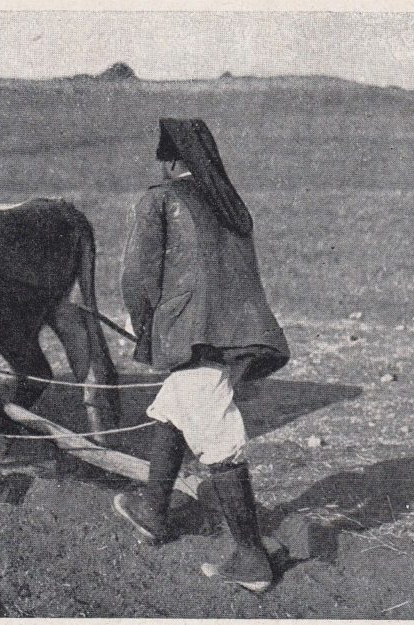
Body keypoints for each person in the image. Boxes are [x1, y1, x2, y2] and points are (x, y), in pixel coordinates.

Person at [114, 118, 290, 592]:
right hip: (238, 337)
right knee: (173, 407)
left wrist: (144, 326)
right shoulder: (228, 201)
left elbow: (138, 280)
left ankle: (251, 559)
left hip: (194, 337)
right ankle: (152, 510)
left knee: (217, 438)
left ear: (171, 161)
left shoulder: (160, 199)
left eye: (163, 161)